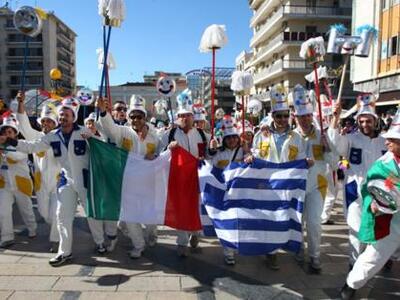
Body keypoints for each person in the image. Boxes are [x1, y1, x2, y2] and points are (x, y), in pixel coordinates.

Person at [0, 97, 107, 266]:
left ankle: (100, 242)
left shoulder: (84, 132)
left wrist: (94, 137)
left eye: (67, 115)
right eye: (61, 115)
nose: (63, 117)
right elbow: (31, 146)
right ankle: (65, 252)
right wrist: (11, 141)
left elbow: (103, 148)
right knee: (61, 216)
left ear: (74, 117)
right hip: (66, 181)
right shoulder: (52, 136)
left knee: (91, 214)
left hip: (85, 180)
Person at [246, 84, 308, 270]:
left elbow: (300, 159)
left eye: (284, 116)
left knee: (287, 216)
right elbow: (255, 154)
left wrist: (306, 162)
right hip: (267, 186)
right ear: (272, 116)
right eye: (278, 116)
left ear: (289, 116)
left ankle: (293, 246)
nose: (282, 119)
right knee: (268, 218)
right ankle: (271, 253)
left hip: (287, 186)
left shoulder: (297, 137)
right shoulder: (261, 135)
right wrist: (250, 157)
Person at [341, 109, 400, 299]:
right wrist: (375, 201)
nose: (387, 141)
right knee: (373, 256)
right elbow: (370, 186)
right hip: (391, 220)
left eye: (393, 139)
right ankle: (350, 285)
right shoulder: (384, 163)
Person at [328, 93, 387, 268]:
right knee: (355, 228)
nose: (364, 125)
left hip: (380, 192)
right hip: (355, 191)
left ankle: (376, 259)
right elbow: (334, 143)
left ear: (375, 121)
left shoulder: (385, 141)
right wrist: (335, 117)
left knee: (377, 228)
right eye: (361, 121)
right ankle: (354, 264)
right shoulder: (351, 139)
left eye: (368, 121)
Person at [97, 95, 160, 258]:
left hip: (148, 184)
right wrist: (104, 112)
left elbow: (162, 153)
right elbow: (109, 128)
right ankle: (138, 245)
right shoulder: (123, 133)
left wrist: (156, 155)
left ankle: (153, 233)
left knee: (151, 218)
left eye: (139, 116)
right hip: (127, 183)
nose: (135, 120)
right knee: (130, 217)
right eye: (132, 116)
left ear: (145, 117)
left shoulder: (155, 136)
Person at [160, 89, 210, 257]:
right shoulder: (169, 134)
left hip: (197, 179)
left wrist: (215, 148)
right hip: (178, 178)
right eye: (182, 115)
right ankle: (181, 242)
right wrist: (169, 148)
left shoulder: (204, 135)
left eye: (188, 115)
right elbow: (159, 155)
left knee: (195, 208)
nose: (185, 118)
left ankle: (195, 234)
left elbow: (211, 155)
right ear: (177, 117)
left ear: (193, 117)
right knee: (181, 209)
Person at [292, 85, 330, 271]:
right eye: (301, 116)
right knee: (298, 221)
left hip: (317, 185)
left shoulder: (323, 134)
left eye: (308, 115)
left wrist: (327, 148)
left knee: (314, 223)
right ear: (295, 117)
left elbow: (334, 160)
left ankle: (315, 256)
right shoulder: (290, 137)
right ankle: (299, 250)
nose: (305, 119)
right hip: (297, 187)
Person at [16, 92, 60, 252]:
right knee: (44, 213)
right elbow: (23, 125)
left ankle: (56, 240)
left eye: (50, 121)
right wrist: (21, 104)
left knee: (56, 213)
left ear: (55, 123)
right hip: (41, 184)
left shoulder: (61, 137)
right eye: (44, 121)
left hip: (57, 182)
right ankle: (60, 229)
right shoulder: (36, 137)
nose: (46, 123)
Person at [208, 115, 248, 265]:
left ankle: (234, 247)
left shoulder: (242, 151)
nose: (232, 140)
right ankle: (228, 251)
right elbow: (209, 167)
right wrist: (211, 151)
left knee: (237, 222)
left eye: (234, 137)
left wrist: (248, 153)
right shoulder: (219, 153)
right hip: (223, 193)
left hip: (239, 193)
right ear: (224, 139)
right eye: (229, 138)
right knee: (227, 222)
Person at [0, 113, 37, 248]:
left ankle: (32, 228)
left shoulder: (22, 145)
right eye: (4, 131)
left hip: (21, 184)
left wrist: (4, 148)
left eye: (9, 131)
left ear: (15, 133)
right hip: (5, 185)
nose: (6, 134)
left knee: (26, 210)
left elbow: (16, 157)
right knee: (3, 211)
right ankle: (7, 237)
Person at [83, 112, 119, 253]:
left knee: (109, 210)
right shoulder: (80, 137)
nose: (90, 125)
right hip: (90, 181)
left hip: (107, 181)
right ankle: (99, 241)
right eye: (88, 123)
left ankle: (112, 236)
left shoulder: (106, 139)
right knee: (93, 212)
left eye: (93, 122)